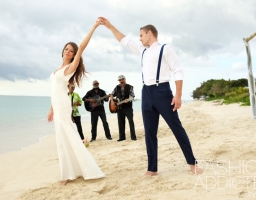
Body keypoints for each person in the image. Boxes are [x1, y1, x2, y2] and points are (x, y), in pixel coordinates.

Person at [99, 17, 203, 176]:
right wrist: (110, 26)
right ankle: (152, 168)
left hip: (162, 91)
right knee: (149, 131)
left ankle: (192, 164)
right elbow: (124, 40)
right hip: (146, 92)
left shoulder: (165, 49)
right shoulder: (143, 50)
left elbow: (178, 71)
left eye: (141, 35)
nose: (139, 39)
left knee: (176, 128)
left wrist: (178, 95)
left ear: (149, 33)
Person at [47, 20, 105, 186]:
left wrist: (93, 27)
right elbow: (55, 91)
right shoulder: (58, 69)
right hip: (57, 105)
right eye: (66, 49)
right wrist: (51, 109)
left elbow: (82, 46)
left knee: (65, 138)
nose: (68, 52)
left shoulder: (70, 67)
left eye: (71, 51)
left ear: (74, 55)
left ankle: (66, 175)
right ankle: (73, 170)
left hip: (63, 106)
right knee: (65, 137)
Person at [110, 75, 137, 141]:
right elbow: (112, 94)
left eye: (122, 79)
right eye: (120, 80)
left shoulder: (130, 87)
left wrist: (128, 99)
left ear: (125, 79)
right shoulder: (117, 87)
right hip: (119, 108)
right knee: (121, 123)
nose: (121, 81)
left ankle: (133, 137)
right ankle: (122, 137)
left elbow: (132, 96)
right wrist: (112, 101)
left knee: (131, 122)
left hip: (128, 108)